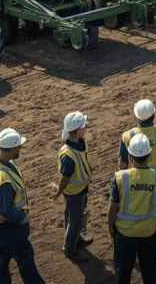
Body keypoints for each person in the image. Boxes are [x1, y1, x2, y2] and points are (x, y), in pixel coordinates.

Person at [0, 128, 45, 284]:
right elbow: (5, 209)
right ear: (11, 150)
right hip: (8, 228)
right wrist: (22, 217)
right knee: (26, 260)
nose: (21, 149)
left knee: (1, 262)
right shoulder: (2, 178)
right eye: (19, 146)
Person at [108, 133, 156, 284]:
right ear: (149, 155)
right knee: (149, 271)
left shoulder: (120, 178)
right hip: (149, 231)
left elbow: (112, 209)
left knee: (123, 273)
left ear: (130, 157)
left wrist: (110, 228)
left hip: (125, 233)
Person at [51, 111, 93, 262]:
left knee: (72, 216)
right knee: (75, 221)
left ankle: (77, 239)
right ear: (75, 132)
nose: (86, 126)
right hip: (74, 192)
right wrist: (58, 192)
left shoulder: (78, 141)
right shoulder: (68, 155)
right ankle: (70, 248)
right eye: (83, 125)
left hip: (80, 190)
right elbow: (64, 178)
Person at [118, 100, 156, 179]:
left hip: (136, 180)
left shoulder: (128, 136)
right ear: (153, 114)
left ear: (137, 117)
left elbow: (122, 164)